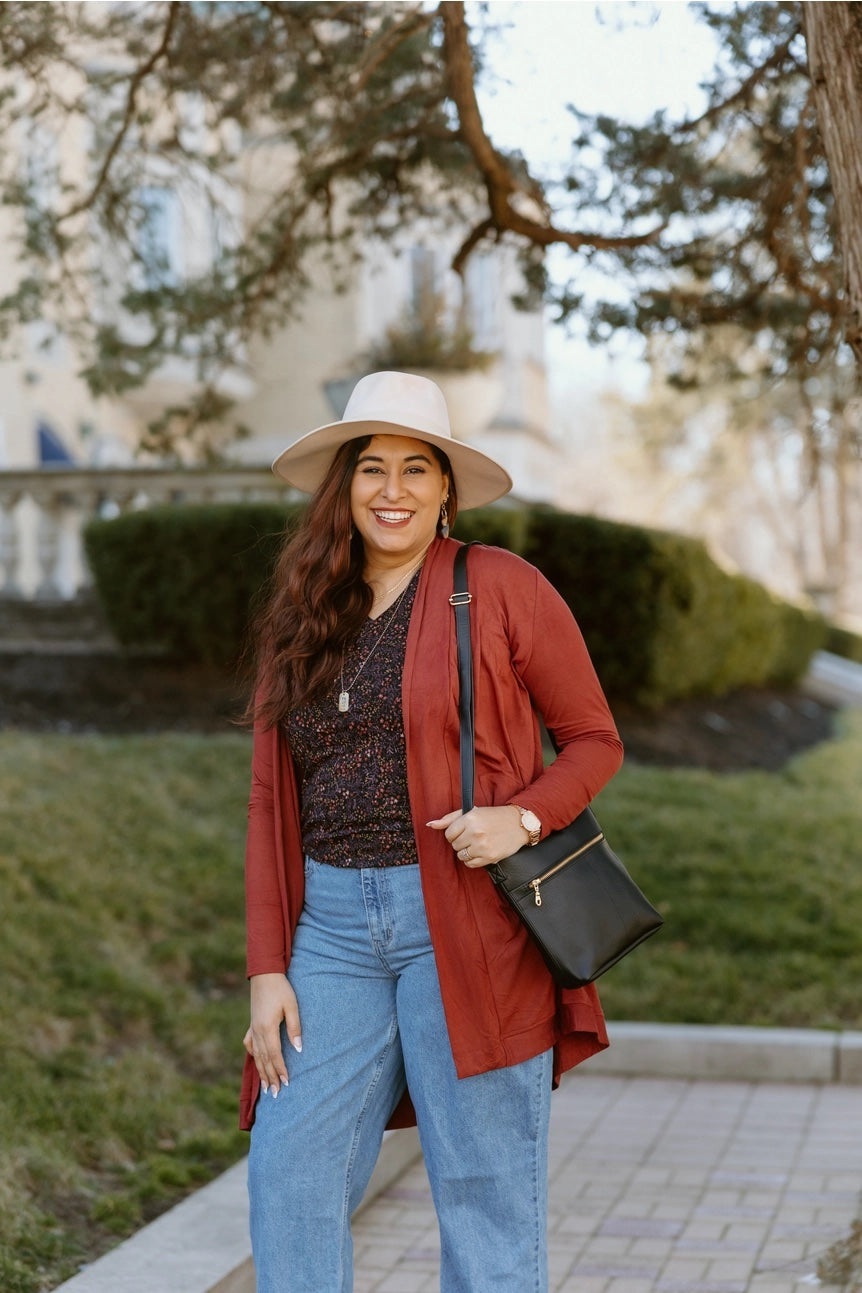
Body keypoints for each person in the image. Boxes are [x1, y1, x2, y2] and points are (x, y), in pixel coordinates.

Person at [240, 370, 624, 1293]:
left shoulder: (499, 587)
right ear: (346, 485)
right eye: (372, 468)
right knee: (289, 1171)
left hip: (467, 923)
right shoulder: (306, 610)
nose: (394, 489)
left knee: (484, 1191)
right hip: (328, 932)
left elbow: (593, 740)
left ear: (447, 488)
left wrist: (521, 814)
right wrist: (266, 968)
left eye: (418, 468)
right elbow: (267, 798)